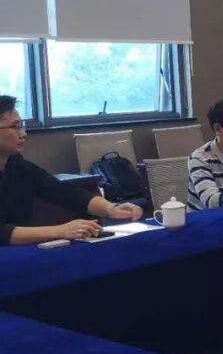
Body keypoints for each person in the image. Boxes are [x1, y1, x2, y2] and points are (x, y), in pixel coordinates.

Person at [0, 95, 142, 245]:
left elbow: (63, 191)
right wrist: (59, 231)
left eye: (21, 126)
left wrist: (110, 208)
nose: (23, 134)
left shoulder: (16, 164)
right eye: (15, 127)